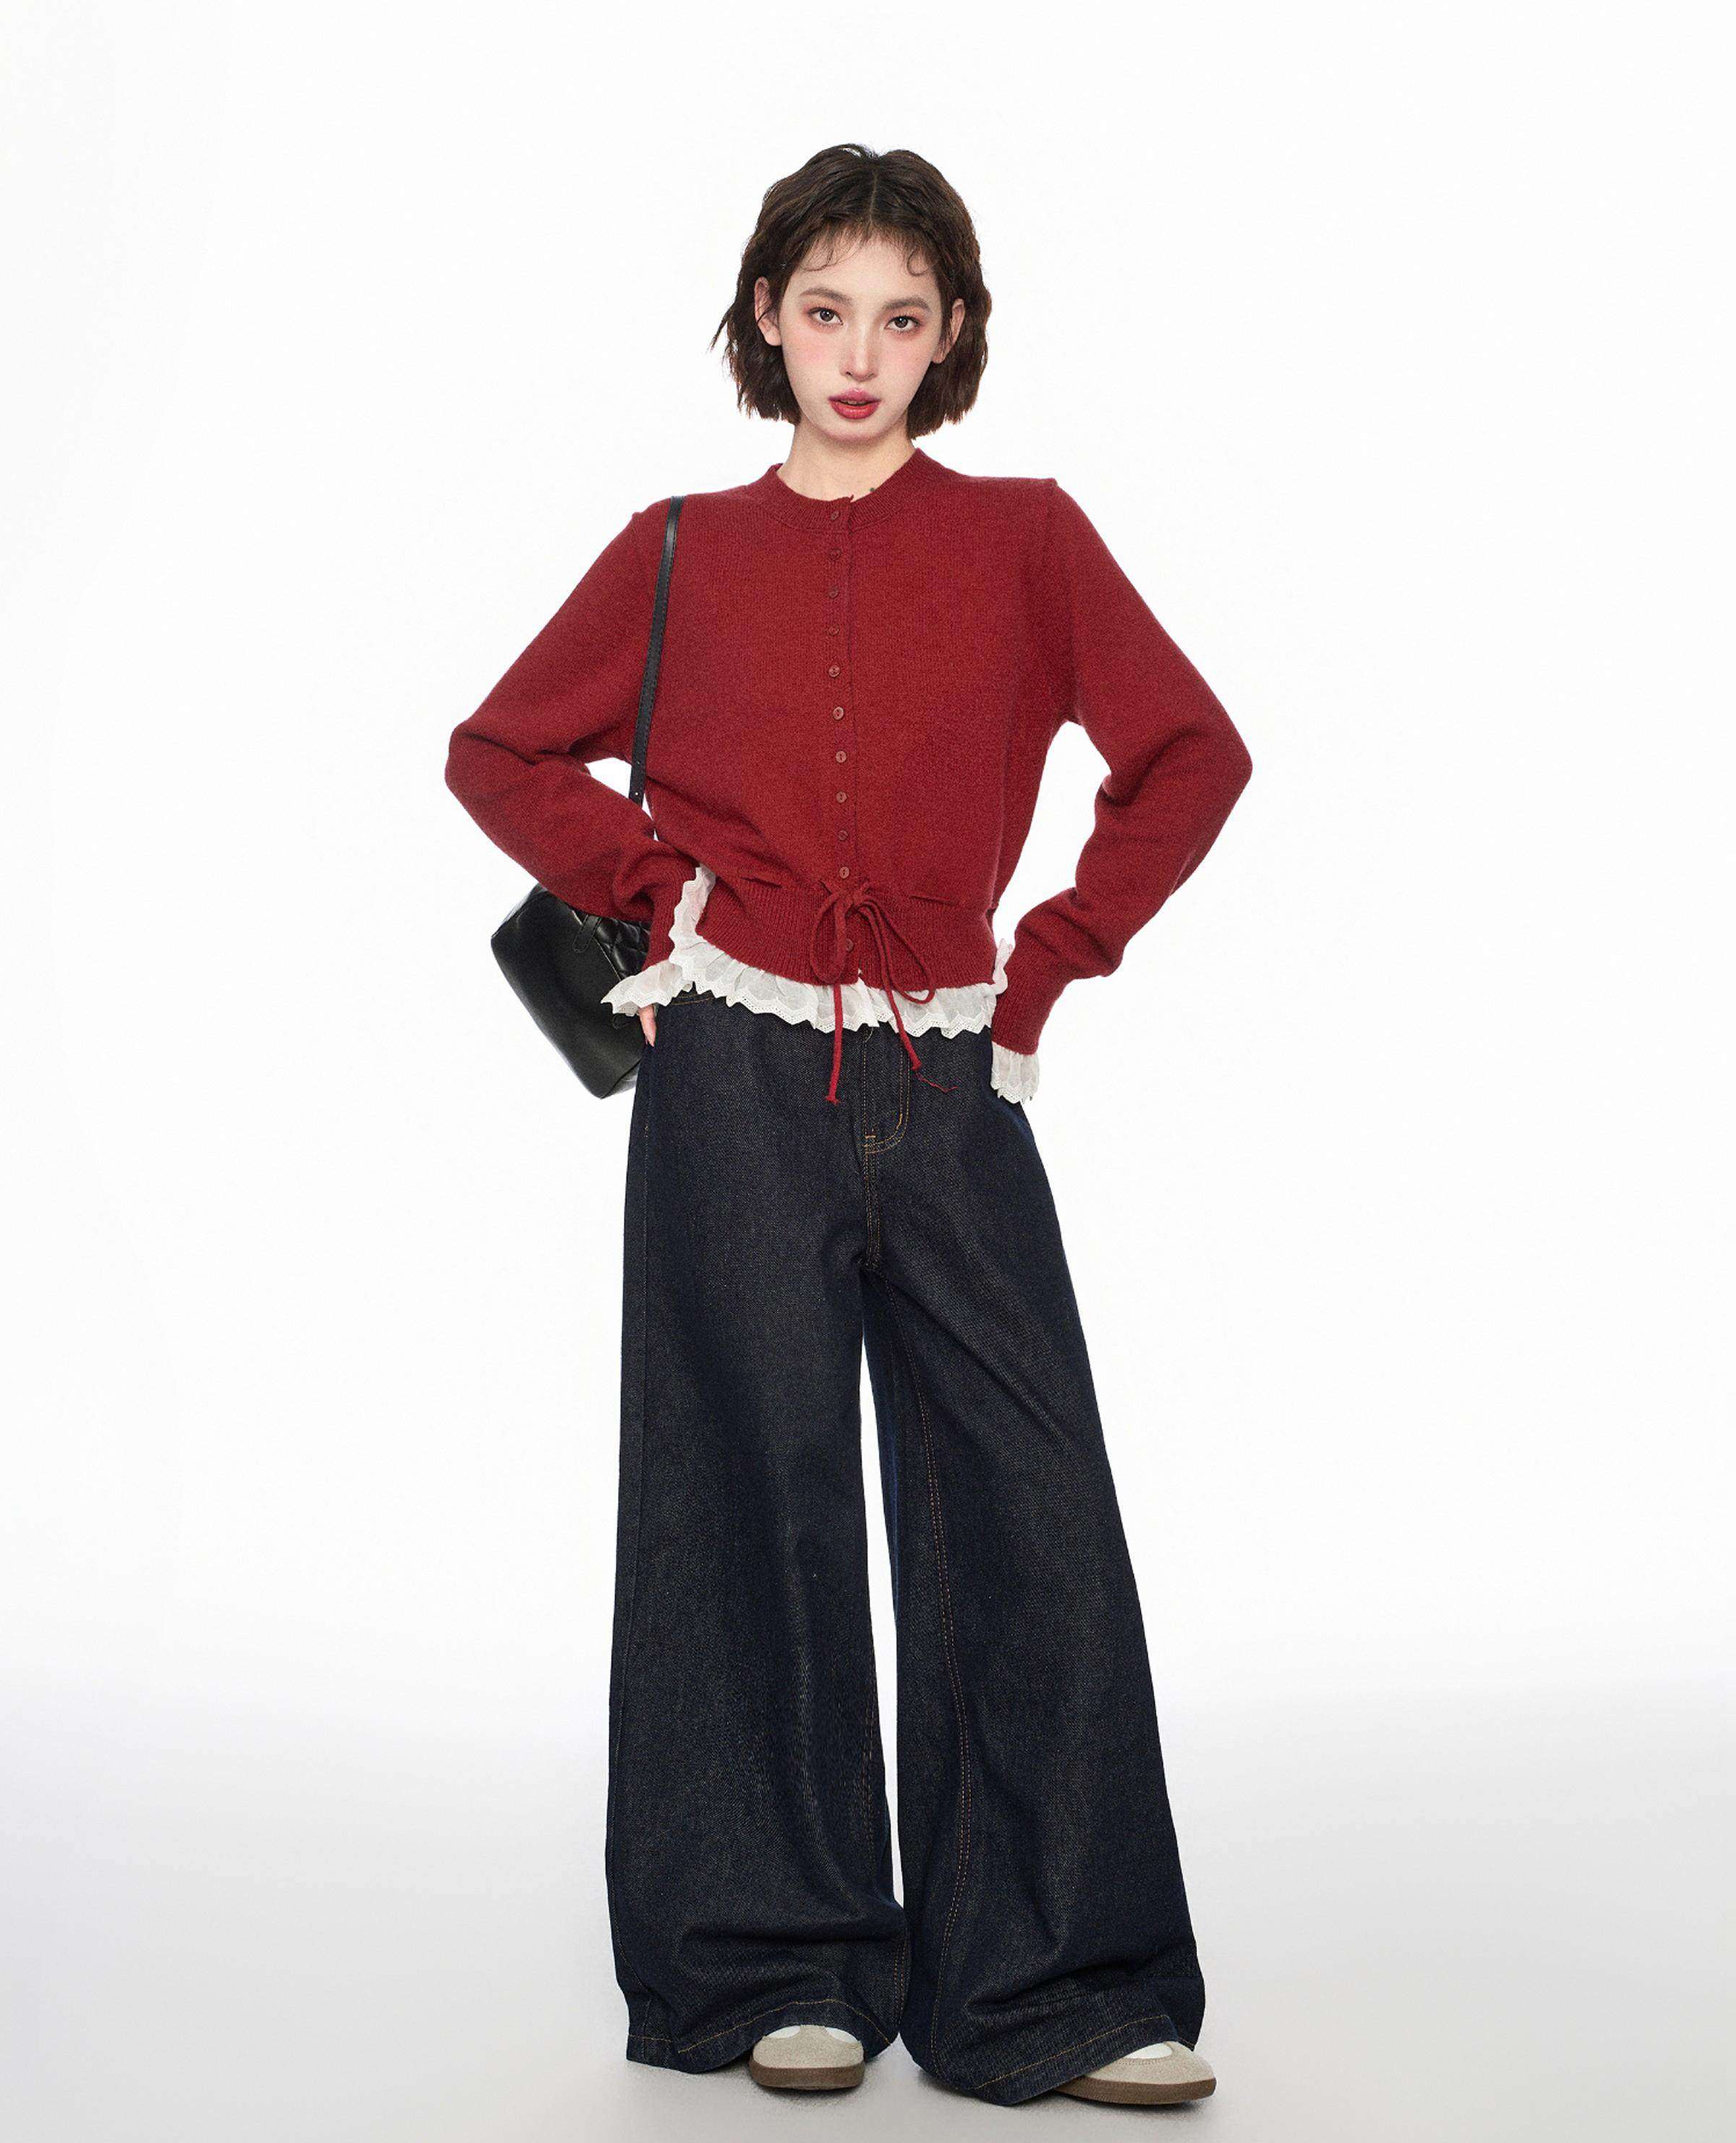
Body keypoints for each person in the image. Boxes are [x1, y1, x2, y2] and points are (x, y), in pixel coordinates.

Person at [444, 143, 1252, 2108]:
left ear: (952, 331)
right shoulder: (674, 549)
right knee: (746, 1494)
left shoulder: (1030, 541)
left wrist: (1048, 963)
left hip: (949, 1068)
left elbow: (1190, 752)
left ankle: (1060, 1983)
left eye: (902, 316)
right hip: (728, 1078)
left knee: (1026, 1503)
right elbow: (498, 748)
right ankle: (775, 1958)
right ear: (767, 321)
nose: (862, 355)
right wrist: (658, 894)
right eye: (827, 312)